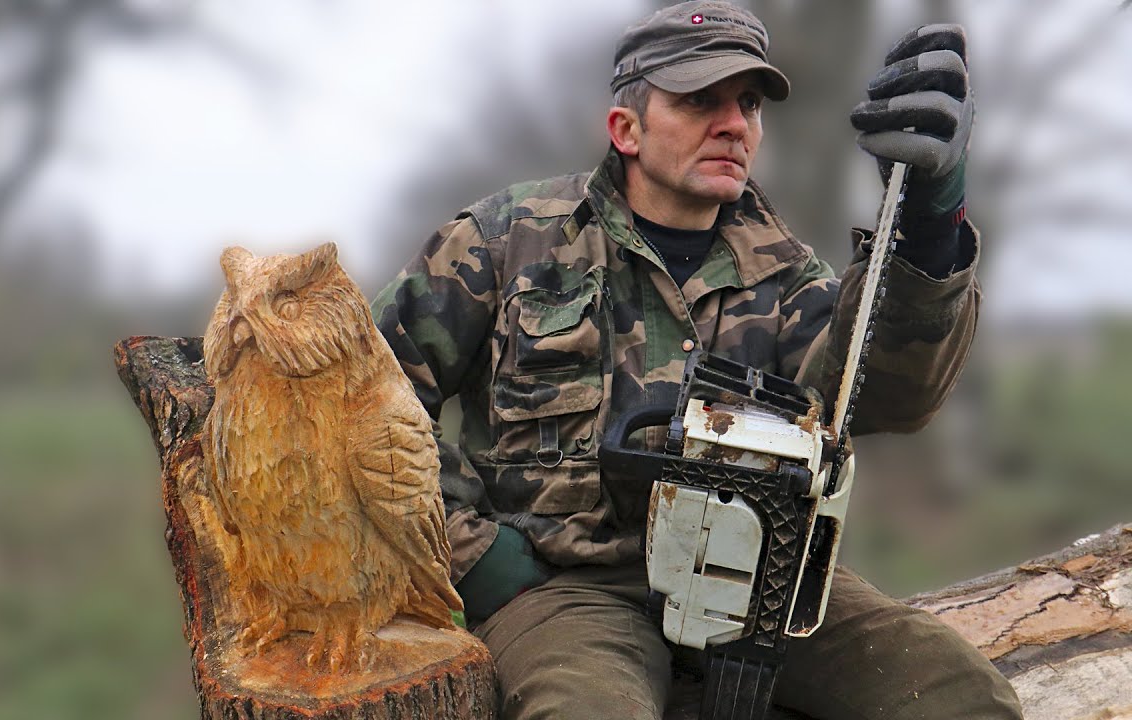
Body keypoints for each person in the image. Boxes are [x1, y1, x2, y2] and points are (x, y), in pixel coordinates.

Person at [371, 2, 1021, 718]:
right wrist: (475, 556)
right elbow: (369, 402)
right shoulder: (506, 242)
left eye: (747, 103)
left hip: (757, 579)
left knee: (962, 696)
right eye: (698, 100)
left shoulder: (786, 275)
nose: (734, 123)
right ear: (626, 129)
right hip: (569, 589)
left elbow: (890, 395)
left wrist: (930, 224)